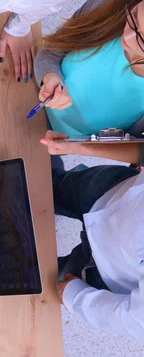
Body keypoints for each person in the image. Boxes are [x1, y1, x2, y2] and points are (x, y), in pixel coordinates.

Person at [40, 130, 144, 338]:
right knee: (51, 185)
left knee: (37, 275)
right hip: (113, 189)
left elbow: (137, 321)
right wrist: (79, 147)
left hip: (103, 268)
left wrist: (75, 296)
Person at [35, 0, 144, 137]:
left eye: (142, 41)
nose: (126, 37)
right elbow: (53, 48)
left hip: (57, 141)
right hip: (28, 92)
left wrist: (73, 147)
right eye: (134, 16)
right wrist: (50, 76)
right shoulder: (110, 2)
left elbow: (127, 148)